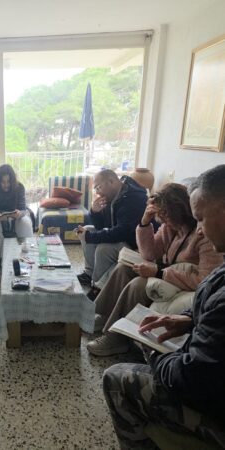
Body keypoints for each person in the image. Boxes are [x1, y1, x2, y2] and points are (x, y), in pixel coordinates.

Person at [103, 165, 225, 449]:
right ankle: (105, 322)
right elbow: (150, 252)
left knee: (114, 378)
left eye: (202, 218)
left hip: (212, 404)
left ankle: (115, 334)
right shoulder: (172, 230)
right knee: (125, 271)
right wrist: (190, 320)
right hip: (180, 298)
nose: (201, 227)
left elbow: (190, 379)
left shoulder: (204, 241)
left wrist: (152, 352)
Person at [87, 183, 222, 356]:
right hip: (168, 273)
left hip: (183, 282)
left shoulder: (205, 235)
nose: (162, 219)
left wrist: (159, 273)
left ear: (178, 210)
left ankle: (116, 338)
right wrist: (144, 223)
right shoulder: (169, 228)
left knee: (138, 284)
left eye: (165, 214)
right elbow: (149, 253)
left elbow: (204, 280)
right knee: (124, 268)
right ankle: (103, 314)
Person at [76, 169, 147, 300]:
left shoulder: (133, 198)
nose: (97, 192)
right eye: (95, 189)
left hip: (136, 244)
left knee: (104, 248)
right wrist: (95, 212)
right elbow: (103, 227)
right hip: (121, 237)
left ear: (111, 181)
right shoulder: (112, 195)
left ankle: (97, 287)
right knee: (87, 229)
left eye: (98, 187)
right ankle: (89, 274)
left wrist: (89, 237)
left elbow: (122, 232)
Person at [0, 164, 33, 275]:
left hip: (16, 217)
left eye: (8, 181)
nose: (6, 185)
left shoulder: (19, 187)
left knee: (25, 223)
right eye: (3, 182)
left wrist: (19, 214)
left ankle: (26, 255)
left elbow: (23, 209)